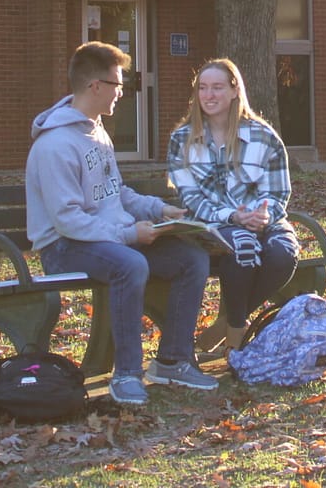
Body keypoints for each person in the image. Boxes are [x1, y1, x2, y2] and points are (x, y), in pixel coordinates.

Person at [27, 41, 218, 405]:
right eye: (117, 84)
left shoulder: (97, 132)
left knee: (191, 258)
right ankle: (127, 375)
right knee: (130, 265)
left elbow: (116, 193)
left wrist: (160, 211)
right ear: (94, 86)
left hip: (105, 240)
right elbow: (68, 220)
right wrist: (129, 234)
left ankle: (173, 360)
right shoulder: (55, 145)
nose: (122, 93)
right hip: (65, 247)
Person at [167, 58, 299, 358]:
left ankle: (227, 324)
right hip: (213, 224)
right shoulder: (182, 140)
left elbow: (278, 192)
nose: (209, 95)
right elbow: (191, 199)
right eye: (202, 88)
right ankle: (236, 343)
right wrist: (232, 216)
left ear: (234, 91)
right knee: (241, 249)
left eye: (217, 88)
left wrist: (263, 215)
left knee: (283, 254)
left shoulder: (263, 136)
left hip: (263, 222)